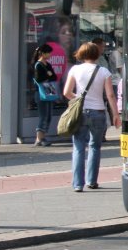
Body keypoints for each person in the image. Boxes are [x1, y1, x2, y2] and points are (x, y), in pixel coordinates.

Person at [62, 42, 121, 193]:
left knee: (78, 147)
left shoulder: (75, 69)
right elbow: (110, 95)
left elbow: (67, 92)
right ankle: (92, 181)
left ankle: (77, 184)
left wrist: (79, 98)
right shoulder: (103, 71)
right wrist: (115, 114)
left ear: (81, 54)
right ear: (97, 54)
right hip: (98, 112)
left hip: (80, 112)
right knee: (95, 146)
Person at [30, 44, 60, 147]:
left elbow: (54, 76)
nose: (50, 54)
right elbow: (38, 78)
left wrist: (49, 75)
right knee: (43, 116)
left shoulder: (47, 64)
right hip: (40, 92)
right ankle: (39, 138)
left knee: (48, 115)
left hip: (48, 91)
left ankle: (43, 136)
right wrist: (49, 75)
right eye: (48, 52)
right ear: (42, 53)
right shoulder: (38, 65)